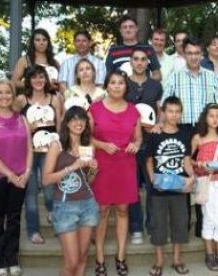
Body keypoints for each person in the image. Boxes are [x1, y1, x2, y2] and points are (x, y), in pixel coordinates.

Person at [162, 37, 218, 237]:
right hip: (181, 131)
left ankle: (202, 224)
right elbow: (165, 104)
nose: (193, 57)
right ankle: (183, 224)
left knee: (202, 175)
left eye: (197, 53)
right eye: (189, 53)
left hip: (204, 132)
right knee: (183, 177)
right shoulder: (175, 76)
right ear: (184, 54)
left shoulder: (210, 77)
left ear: (202, 54)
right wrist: (161, 124)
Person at [89, 70, 142, 276]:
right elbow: (84, 137)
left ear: (125, 87)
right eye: (113, 82)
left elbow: (138, 138)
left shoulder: (133, 110)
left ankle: (121, 257)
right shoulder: (94, 109)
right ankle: (99, 257)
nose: (117, 86)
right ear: (107, 85)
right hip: (102, 165)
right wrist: (102, 144)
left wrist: (136, 145)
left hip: (125, 165)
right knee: (101, 212)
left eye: (121, 83)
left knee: (122, 211)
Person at [43, 106, 99, 276]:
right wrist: (71, 167)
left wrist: (93, 170)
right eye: (73, 119)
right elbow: (45, 180)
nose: (78, 122)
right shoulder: (57, 145)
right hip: (65, 206)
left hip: (87, 203)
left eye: (81, 119)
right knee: (72, 261)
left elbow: (89, 180)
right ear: (66, 123)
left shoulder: (88, 146)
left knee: (82, 257)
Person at [146, 96, 195, 276]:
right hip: (159, 190)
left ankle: (176, 260)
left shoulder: (184, 134)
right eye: (170, 111)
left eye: (177, 111)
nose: (174, 115)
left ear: (181, 113)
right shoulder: (155, 134)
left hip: (179, 188)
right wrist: (152, 180)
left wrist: (192, 177)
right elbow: (149, 161)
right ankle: (158, 261)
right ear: (163, 113)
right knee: (158, 225)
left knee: (180, 225)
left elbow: (187, 160)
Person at [0, 80, 32, 276]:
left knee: (14, 219)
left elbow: (30, 149)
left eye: (8, 92)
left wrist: (28, 171)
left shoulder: (22, 119)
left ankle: (12, 259)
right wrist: (11, 176)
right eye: (0, 93)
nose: (4, 96)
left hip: (22, 177)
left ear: (13, 95)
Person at [16, 65, 62, 245]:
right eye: (34, 77)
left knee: (51, 187)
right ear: (28, 80)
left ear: (46, 79)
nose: (38, 80)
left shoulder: (54, 99)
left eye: (41, 77)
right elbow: (13, 123)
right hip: (28, 151)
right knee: (31, 192)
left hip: (49, 151)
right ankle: (33, 230)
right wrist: (27, 127)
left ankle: (55, 218)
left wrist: (60, 147)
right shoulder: (21, 100)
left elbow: (59, 125)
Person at [125, 48, 163, 244]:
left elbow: (160, 111)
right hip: (128, 143)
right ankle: (136, 227)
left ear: (148, 63)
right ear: (130, 62)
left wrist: (159, 124)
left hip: (150, 143)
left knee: (152, 186)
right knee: (131, 187)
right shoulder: (123, 84)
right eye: (136, 59)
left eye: (143, 60)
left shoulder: (156, 85)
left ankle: (151, 224)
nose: (139, 63)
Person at [192, 103, 218, 272]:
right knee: (208, 217)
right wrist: (200, 163)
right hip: (205, 181)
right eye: (211, 116)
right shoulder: (198, 138)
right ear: (205, 118)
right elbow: (189, 160)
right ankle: (210, 255)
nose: (214, 119)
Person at [105, 15, 161, 81]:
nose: (128, 30)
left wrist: (143, 81)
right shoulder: (113, 50)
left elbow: (158, 75)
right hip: (120, 90)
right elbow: (108, 76)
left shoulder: (148, 49)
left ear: (136, 29)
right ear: (120, 30)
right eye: (124, 27)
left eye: (131, 27)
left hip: (143, 90)